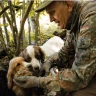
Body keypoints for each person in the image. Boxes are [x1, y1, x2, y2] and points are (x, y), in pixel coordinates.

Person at [13, 0, 96, 96]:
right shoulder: (72, 22)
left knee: (77, 94)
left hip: (84, 76)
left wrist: (38, 81)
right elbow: (65, 53)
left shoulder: (91, 20)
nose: (50, 19)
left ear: (68, 5)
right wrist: (49, 62)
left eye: (52, 12)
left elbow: (79, 77)